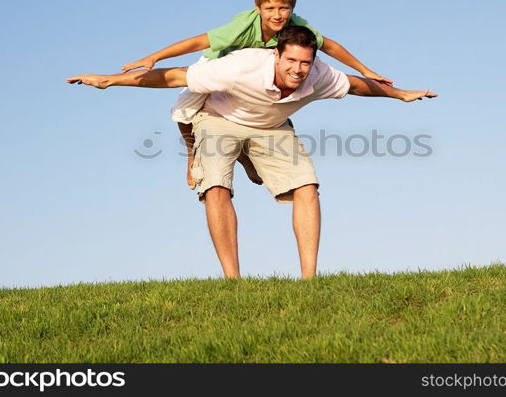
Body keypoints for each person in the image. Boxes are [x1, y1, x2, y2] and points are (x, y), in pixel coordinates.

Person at [67, 27, 437, 279]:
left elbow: (357, 85)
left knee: (307, 186)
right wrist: (109, 80)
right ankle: (233, 283)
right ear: (276, 55)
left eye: (305, 63)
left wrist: (401, 94)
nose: (297, 70)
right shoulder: (240, 66)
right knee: (216, 188)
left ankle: (310, 282)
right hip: (219, 118)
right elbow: (174, 77)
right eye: (291, 61)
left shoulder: (317, 74)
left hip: (271, 127)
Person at [116, 0, 392, 189]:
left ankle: (247, 161)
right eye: (271, 8)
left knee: (258, 115)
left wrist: (365, 69)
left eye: (284, 8)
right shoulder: (243, 25)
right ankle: (192, 156)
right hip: (220, 66)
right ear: (258, 6)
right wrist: (155, 57)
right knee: (184, 111)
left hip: (254, 76)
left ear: (292, 7)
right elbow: (199, 41)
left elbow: (328, 45)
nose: (277, 15)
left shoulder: (297, 25)